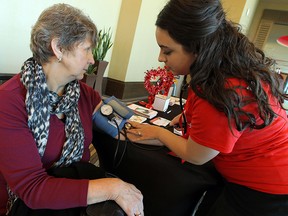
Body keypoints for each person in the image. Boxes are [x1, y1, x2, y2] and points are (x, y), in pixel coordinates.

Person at [126, 0, 288, 215]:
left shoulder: (223, 89)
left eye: (167, 51)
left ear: (198, 47)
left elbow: (197, 155)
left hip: (267, 188)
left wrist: (158, 133)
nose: (160, 58)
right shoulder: (226, 69)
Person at [0, 3, 144, 216]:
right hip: (29, 206)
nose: (92, 59)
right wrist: (113, 188)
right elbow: (32, 189)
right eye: (86, 49)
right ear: (58, 47)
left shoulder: (85, 95)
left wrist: (158, 134)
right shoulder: (9, 102)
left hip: (74, 195)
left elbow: (121, 126)